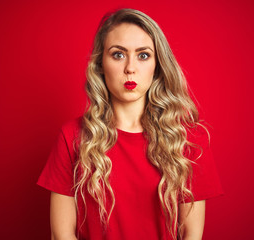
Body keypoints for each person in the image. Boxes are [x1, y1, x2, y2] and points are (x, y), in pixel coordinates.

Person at [37, 8, 223, 240]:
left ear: (157, 65)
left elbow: (191, 235)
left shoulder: (188, 139)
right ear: (100, 64)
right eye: (118, 54)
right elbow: (61, 235)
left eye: (143, 55)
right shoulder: (73, 136)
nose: (130, 68)